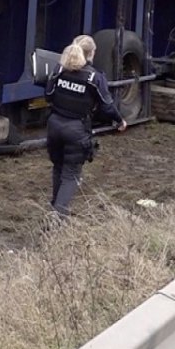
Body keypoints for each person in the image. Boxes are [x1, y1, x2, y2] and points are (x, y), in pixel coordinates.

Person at [45, 34, 127, 216]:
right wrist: (119, 121)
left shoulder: (59, 70)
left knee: (58, 167)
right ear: (91, 54)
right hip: (76, 129)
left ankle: (54, 209)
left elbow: (48, 95)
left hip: (54, 125)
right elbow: (107, 106)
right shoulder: (94, 77)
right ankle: (58, 218)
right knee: (71, 174)